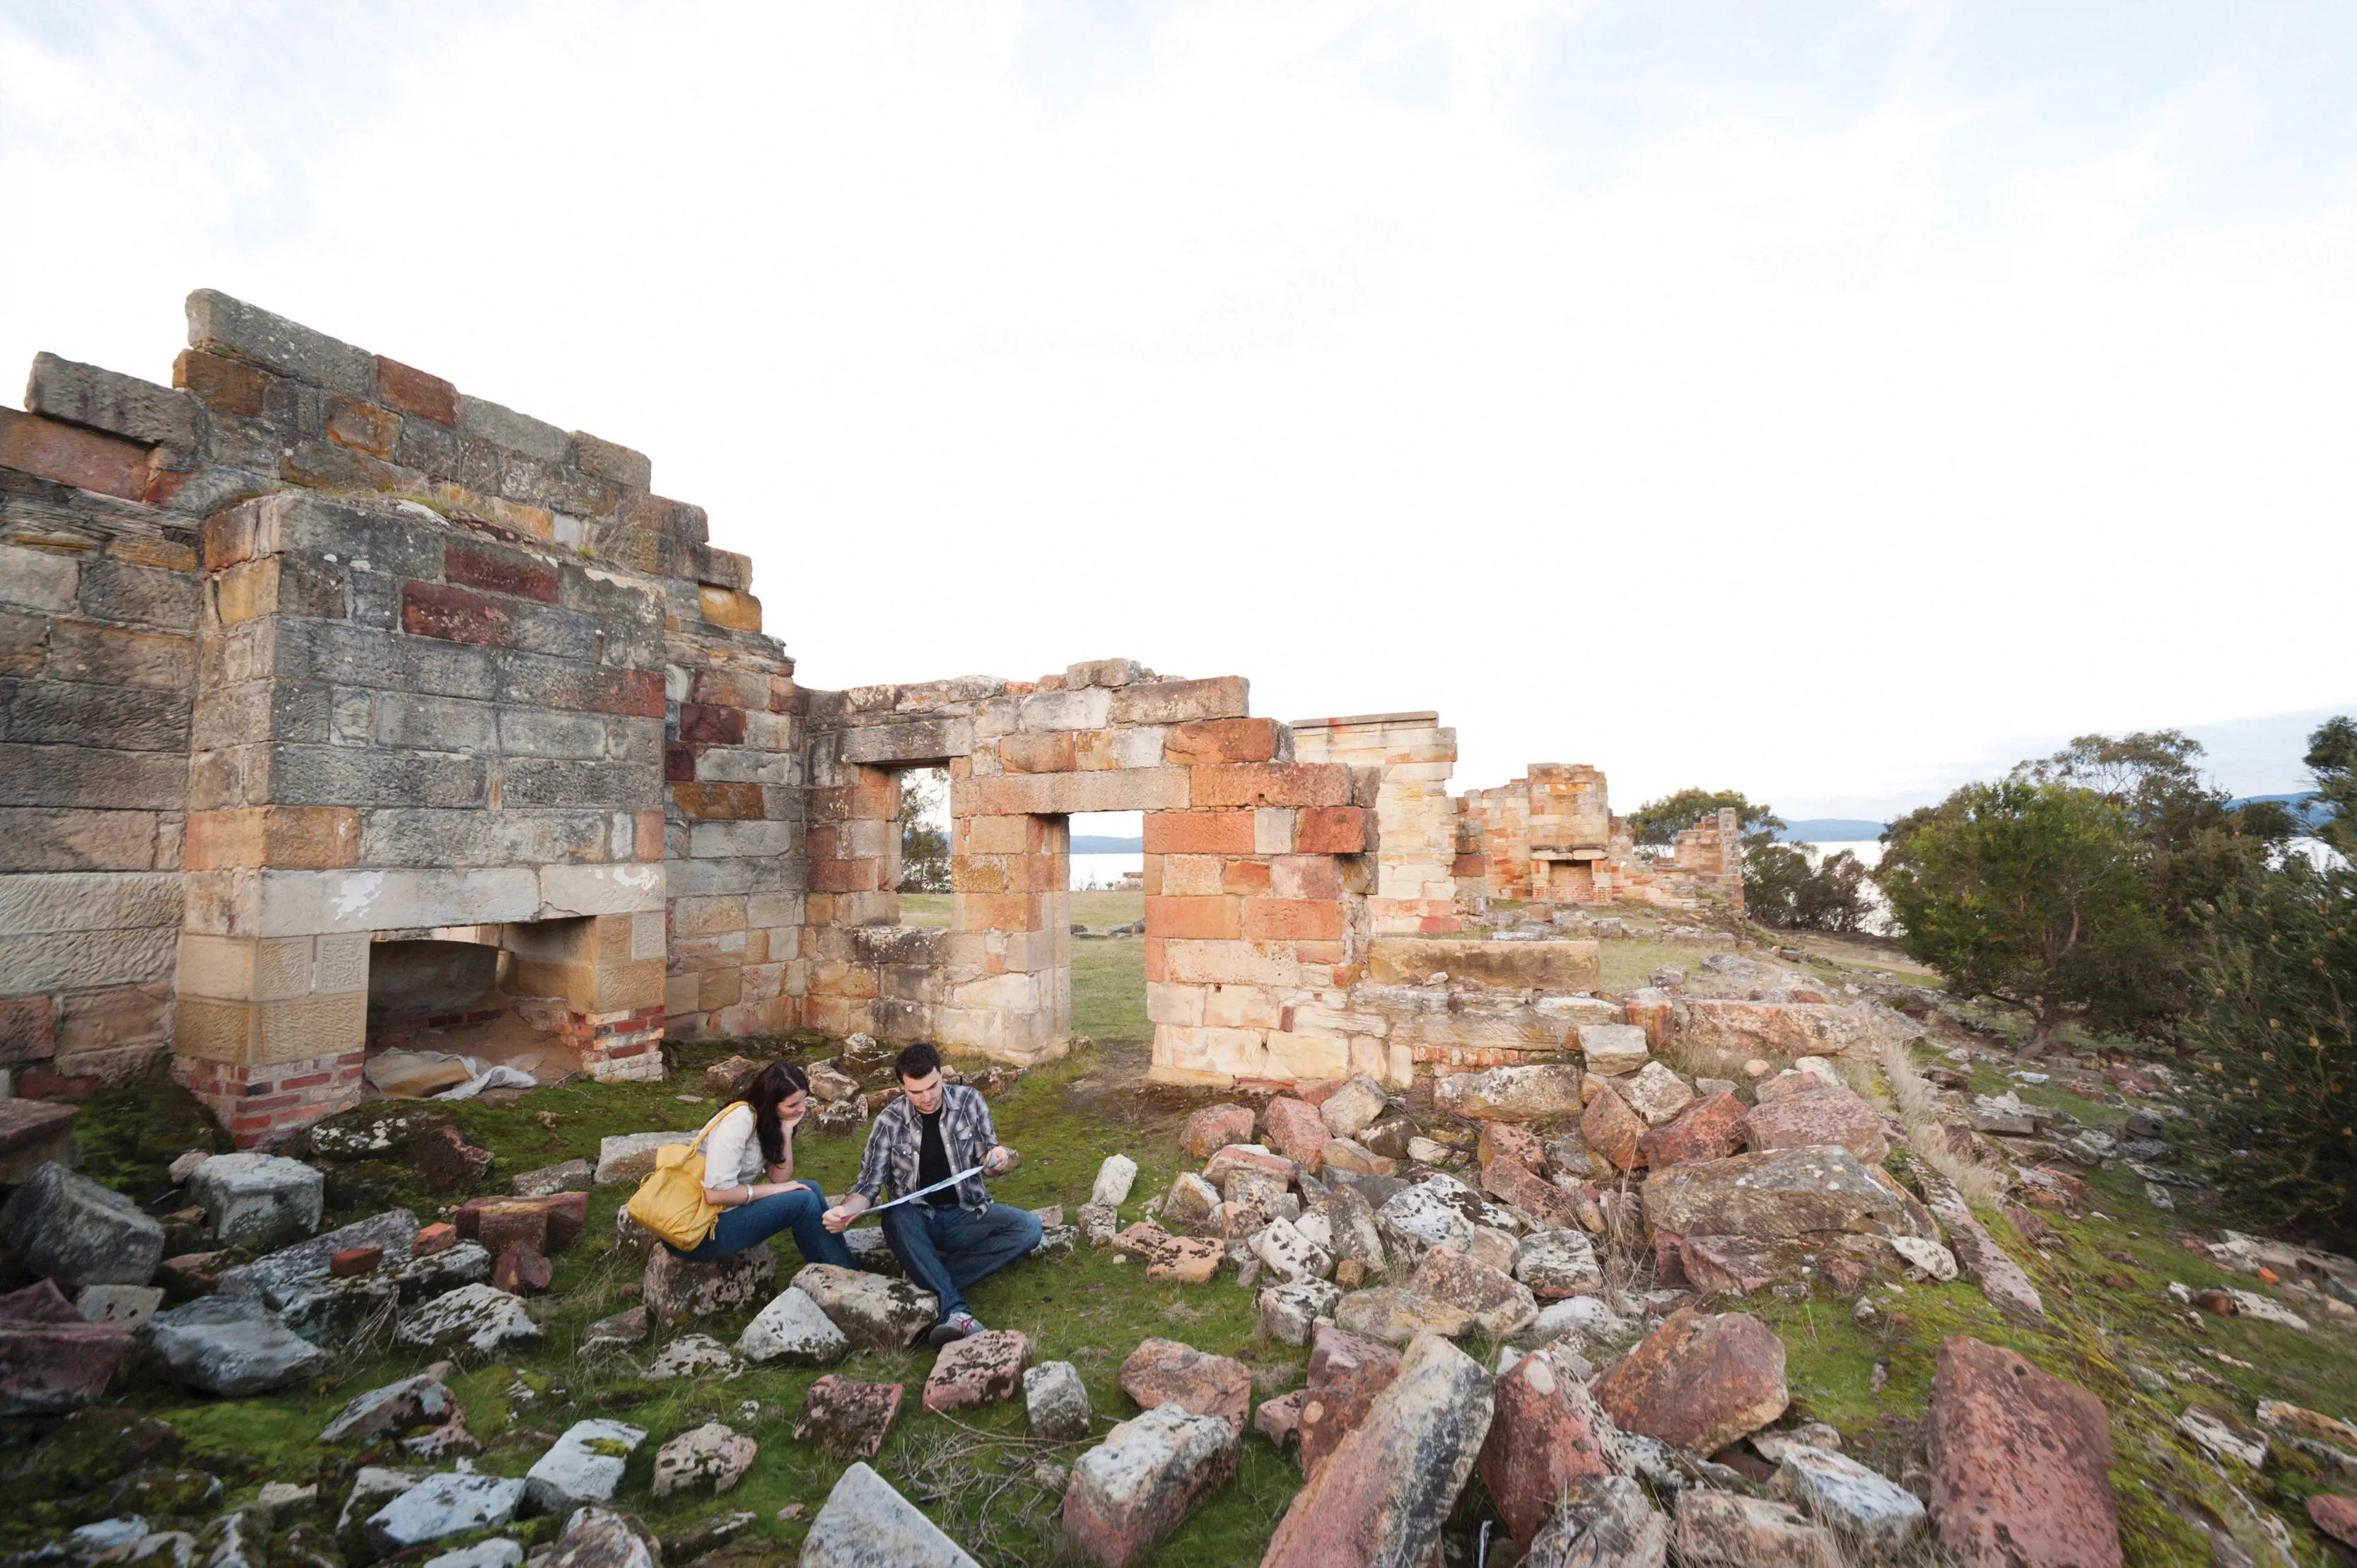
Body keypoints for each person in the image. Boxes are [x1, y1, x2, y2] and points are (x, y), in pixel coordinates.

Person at [823, 1041, 1040, 1343]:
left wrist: (996, 1160)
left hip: (967, 1213)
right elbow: (868, 1186)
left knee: (1029, 1228)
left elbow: (987, 1160)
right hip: (914, 1221)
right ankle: (955, 1311)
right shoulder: (888, 1121)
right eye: (915, 1092)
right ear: (903, 1087)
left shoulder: (970, 1102)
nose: (926, 1098)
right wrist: (846, 1211)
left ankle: (925, 1277)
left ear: (941, 1074)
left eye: (933, 1086)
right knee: (895, 1213)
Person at [667, 1061, 853, 1270]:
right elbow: (716, 1195)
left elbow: (780, 1178)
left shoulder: (767, 1120)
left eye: (803, 1102)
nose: (801, 1110)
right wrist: (779, 1189)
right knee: (804, 1200)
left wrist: (786, 1132)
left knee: (811, 1188)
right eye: (792, 1105)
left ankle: (848, 1267)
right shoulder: (740, 1120)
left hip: (724, 1214)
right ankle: (841, 1277)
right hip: (699, 1230)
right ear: (770, 1101)